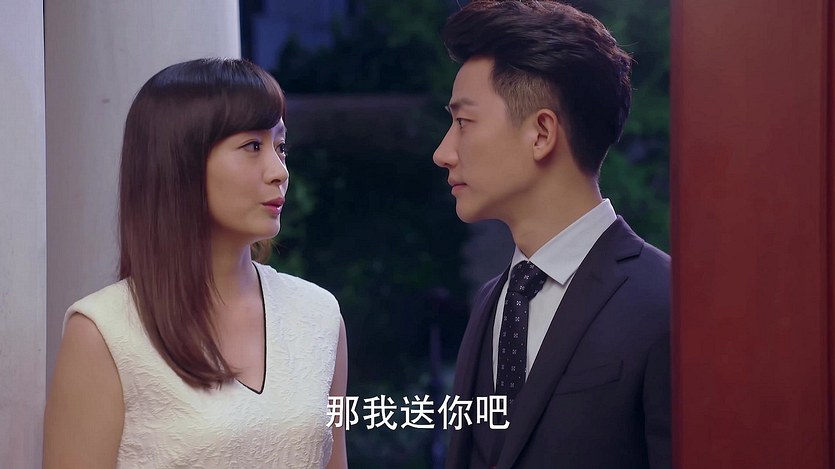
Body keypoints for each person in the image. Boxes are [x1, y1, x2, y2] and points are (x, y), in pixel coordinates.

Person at [43, 58, 348, 469]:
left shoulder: (319, 316)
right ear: (179, 162)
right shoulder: (104, 332)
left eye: (280, 146)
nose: (279, 172)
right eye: (253, 146)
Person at [433, 1, 670, 468]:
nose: (444, 152)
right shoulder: (491, 301)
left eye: (463, 123)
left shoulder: (664, 300)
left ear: (541, 133)